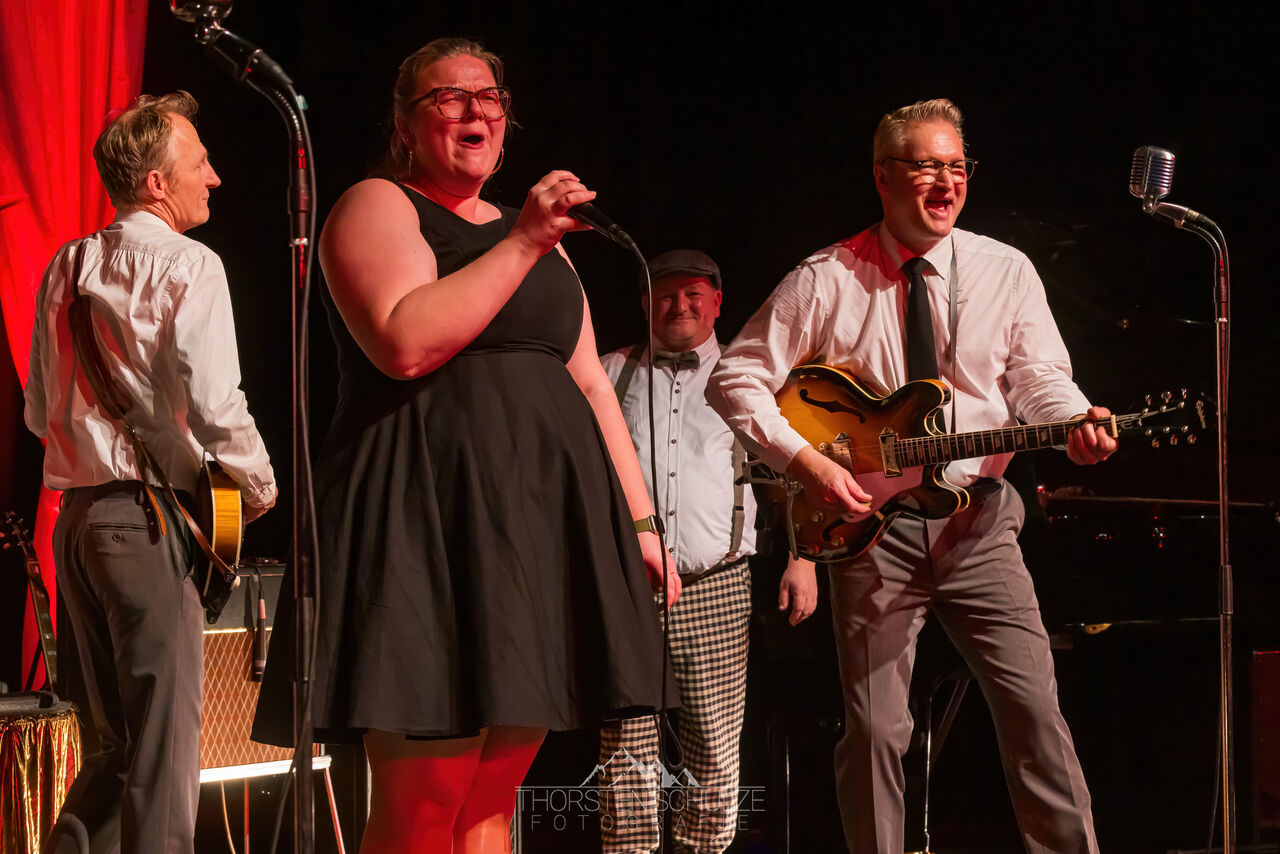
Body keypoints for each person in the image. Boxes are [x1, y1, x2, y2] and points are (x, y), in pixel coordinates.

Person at [251, 38, 677, 854]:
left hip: (532, 534)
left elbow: (592, 385)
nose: (476, 111)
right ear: (405, 124)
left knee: (490, 802)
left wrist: (640, 523)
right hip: (425, 521)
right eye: (449, 97)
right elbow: (404, 342)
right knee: (426, 800)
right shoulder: (379, 204)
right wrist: (524, 242)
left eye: (490, 99)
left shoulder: (538, 240)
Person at [706, 98, 1117, 854]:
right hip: (872, 532)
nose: (947, 182)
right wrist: (805, 462)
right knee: (875, 732)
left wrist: (1073, 420)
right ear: (883, 176)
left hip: (979, 522)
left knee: (1034, 712)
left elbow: (1038, 378)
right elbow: (735, 377)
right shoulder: (827, 276)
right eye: (927, 165)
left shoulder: (1005, 269)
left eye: (957, 166)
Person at [24, 91, 277, 854]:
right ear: (158, 183)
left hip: (76, 526)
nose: (215, 177)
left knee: (114, 750)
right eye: (201, 162)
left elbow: (38, 413)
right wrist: (258, 486)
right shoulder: (191, 264)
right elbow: (214, 402)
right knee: (164, 755)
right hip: (143, 524)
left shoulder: (66, 264)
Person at [595, 250, 817, 853]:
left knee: (714, 745)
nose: (680, 306)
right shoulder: (608, 373)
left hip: (716, 582)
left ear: (717, 303)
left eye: (693, 293)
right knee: (625, 747)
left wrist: (802, 558)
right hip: (627, 587)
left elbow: (793, 478)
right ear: (646, 303)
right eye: (666, 294)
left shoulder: (749, 381)